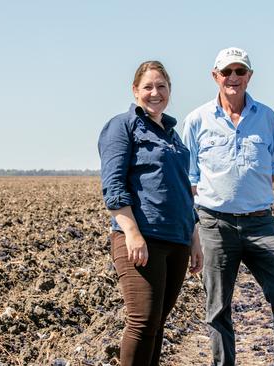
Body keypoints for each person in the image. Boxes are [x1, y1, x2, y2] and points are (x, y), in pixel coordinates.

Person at [181, 47, 274, 366]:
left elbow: (272, 169)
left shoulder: (267, 117)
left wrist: (248, 200)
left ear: (249, 76)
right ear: (215, 76)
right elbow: (189, 178)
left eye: (240, 71)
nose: (233, 77)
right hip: (214, 226)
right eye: (227, 72)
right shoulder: (197, 120)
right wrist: (198, 226)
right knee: (217, 307)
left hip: (260, 223)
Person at [98, 60, 203, 366]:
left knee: (156, 325)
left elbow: (183, 190)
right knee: (142, 322)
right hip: (144, 238)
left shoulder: (172, 134)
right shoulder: (122, 126)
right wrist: (131, 232)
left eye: (161, 86)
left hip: (178, 239)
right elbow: (113, 184)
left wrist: (194, 238)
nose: (155, 93)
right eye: (148, 87)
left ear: (170, 90)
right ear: (135, 91)